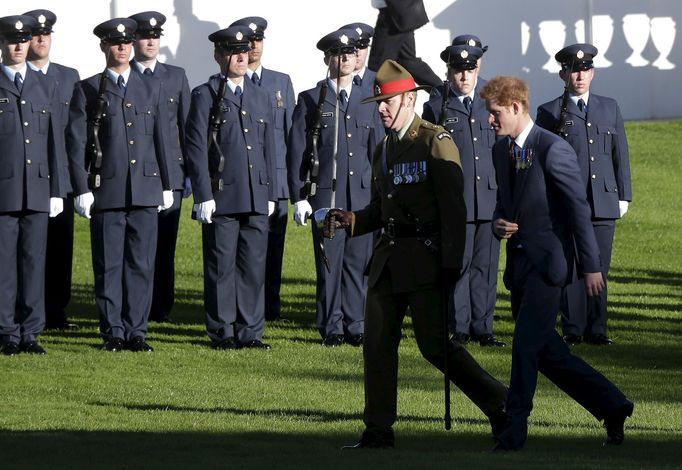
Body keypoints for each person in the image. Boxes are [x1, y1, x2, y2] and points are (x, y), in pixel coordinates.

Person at [324, 60, 508, 448]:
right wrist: (352, 218)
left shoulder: (434, 142)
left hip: (426, 261)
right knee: (376, 345)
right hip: (388, 260)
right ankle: (377, 429)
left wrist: (450, 264)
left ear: (410, 99)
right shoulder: (385, 148)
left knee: (436, 347)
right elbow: (382, 207)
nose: (381, 109)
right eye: (379, 103)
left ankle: (500, 404)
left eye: (388, 101)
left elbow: (453, 212)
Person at [479, 76, 634, 450]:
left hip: (550, 268)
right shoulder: (502, 151)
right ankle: (613, 405)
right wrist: (500, 222)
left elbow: (578, 211)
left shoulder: (553, 149)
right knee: (548, 353)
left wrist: (591, 266)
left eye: (495, 113)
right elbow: (505, 201)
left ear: (516, 108)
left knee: (525, 347)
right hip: (519, 269)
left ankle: (513, 429)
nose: (490, 121)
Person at [67, 18, 174, 353]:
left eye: (128, 42)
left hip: (144, 188)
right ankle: (113, 329)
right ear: (104, 48)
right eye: (116, 43)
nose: (124, 47)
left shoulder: (150, 87)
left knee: (142, 263)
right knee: (109, 263)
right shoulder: (88, 89)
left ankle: (137, 330)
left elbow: (162, 139)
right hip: (108, 189)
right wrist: (81, 188)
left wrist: (168, 184)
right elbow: (76, 142)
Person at [287, 28, 383, 347]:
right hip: (327, 197)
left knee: (357, 264)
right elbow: (298, 151)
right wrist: (300, 196)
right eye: (338, 54)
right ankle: (331, 325)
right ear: (328, 58)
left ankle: (356, 323)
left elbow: (377, 151)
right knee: (329, 264)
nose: (344, 59)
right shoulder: (313, 98)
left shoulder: (367, 99)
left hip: (361, 199)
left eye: (350, 53)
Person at [185, 25, 277, 350]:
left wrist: (271, 192)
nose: (240, 56)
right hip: (222, 193)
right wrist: (203, 195)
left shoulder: (261, 95)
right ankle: (222, 331)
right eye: (233, 52)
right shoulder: (205, 94)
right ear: (218, 56)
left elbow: (269, 147)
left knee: (253, 267)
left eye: (243, 51)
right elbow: (196, 148)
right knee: (221, 267)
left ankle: (250, 331)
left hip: (255, 193)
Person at [536, 43, 632, 346]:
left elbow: (620, 155)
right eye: (574, 70)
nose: (580, 75)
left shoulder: (609, 107)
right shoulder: (550, 111)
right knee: (572, 263)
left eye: (585, 69)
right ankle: (573, 327)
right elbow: (542, 160)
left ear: (593, 72)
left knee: (599, 264)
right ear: (563, 74)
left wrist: (623, 194)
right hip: (567, 201)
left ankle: (598, 328)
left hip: (603, 199)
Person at [423, 42, 504, 347]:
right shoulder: (437, 104)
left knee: (486, 267)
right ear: (449, 71)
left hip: (489, 197)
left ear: (478, 68)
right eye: (458, 70)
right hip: (457, 201)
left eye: (469, 69)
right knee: (459, 265)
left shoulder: (492, 98)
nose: (464, 76)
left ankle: (483, 327)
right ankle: (459, 327)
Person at [0, 14, 66, 356]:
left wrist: (58, 188)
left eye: (23, 40)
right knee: (4, 264)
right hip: (5, 190)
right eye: (12, 40)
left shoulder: (45, 84)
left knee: (33, 261)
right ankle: (7, 331)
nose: (19, 46)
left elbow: (55, 140)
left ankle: (30, 331)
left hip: (39, 188)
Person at [229, 16, 295, 323]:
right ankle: (242, 307)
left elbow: (291, 135)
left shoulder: (280, 82)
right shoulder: (230, 84)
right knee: (244, 250)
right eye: (246, 43)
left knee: (274, 249)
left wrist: (295, 184)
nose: (253, 47)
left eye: (257, 41)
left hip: (276, 179)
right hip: (243, 181)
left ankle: (270, 306)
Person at [128, 11, 191, 324]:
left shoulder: (175, 76)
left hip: (171, 175)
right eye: (144, 36)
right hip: (135, 172)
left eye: (155, 36)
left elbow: (186, 127)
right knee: (136, 245)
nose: (151, 41)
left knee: (165, 245)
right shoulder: (124, 74)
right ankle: (134, 304)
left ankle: (161, 307)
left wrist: (188, 172)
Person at [23, 9, 81, 331]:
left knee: (60, 247)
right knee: (25, 249)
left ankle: (56, 312)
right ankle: (22, 311)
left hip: (61, 176)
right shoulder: (13, 76)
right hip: (25, 176)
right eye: (35, 34)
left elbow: (76, 132)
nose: (42, 39)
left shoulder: (68, 76)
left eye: (46, 34)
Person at [368, 0, 441, 87]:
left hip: (393, 14)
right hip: (399, 13)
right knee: (407, 62)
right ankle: (444, 92)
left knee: (378, 66)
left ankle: (445, 93)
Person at [340, 22, 376, 94]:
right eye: (352, 48)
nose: (357, 53)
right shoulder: (328, 87)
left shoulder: (381, 81)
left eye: (362, 46)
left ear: (368, 48)